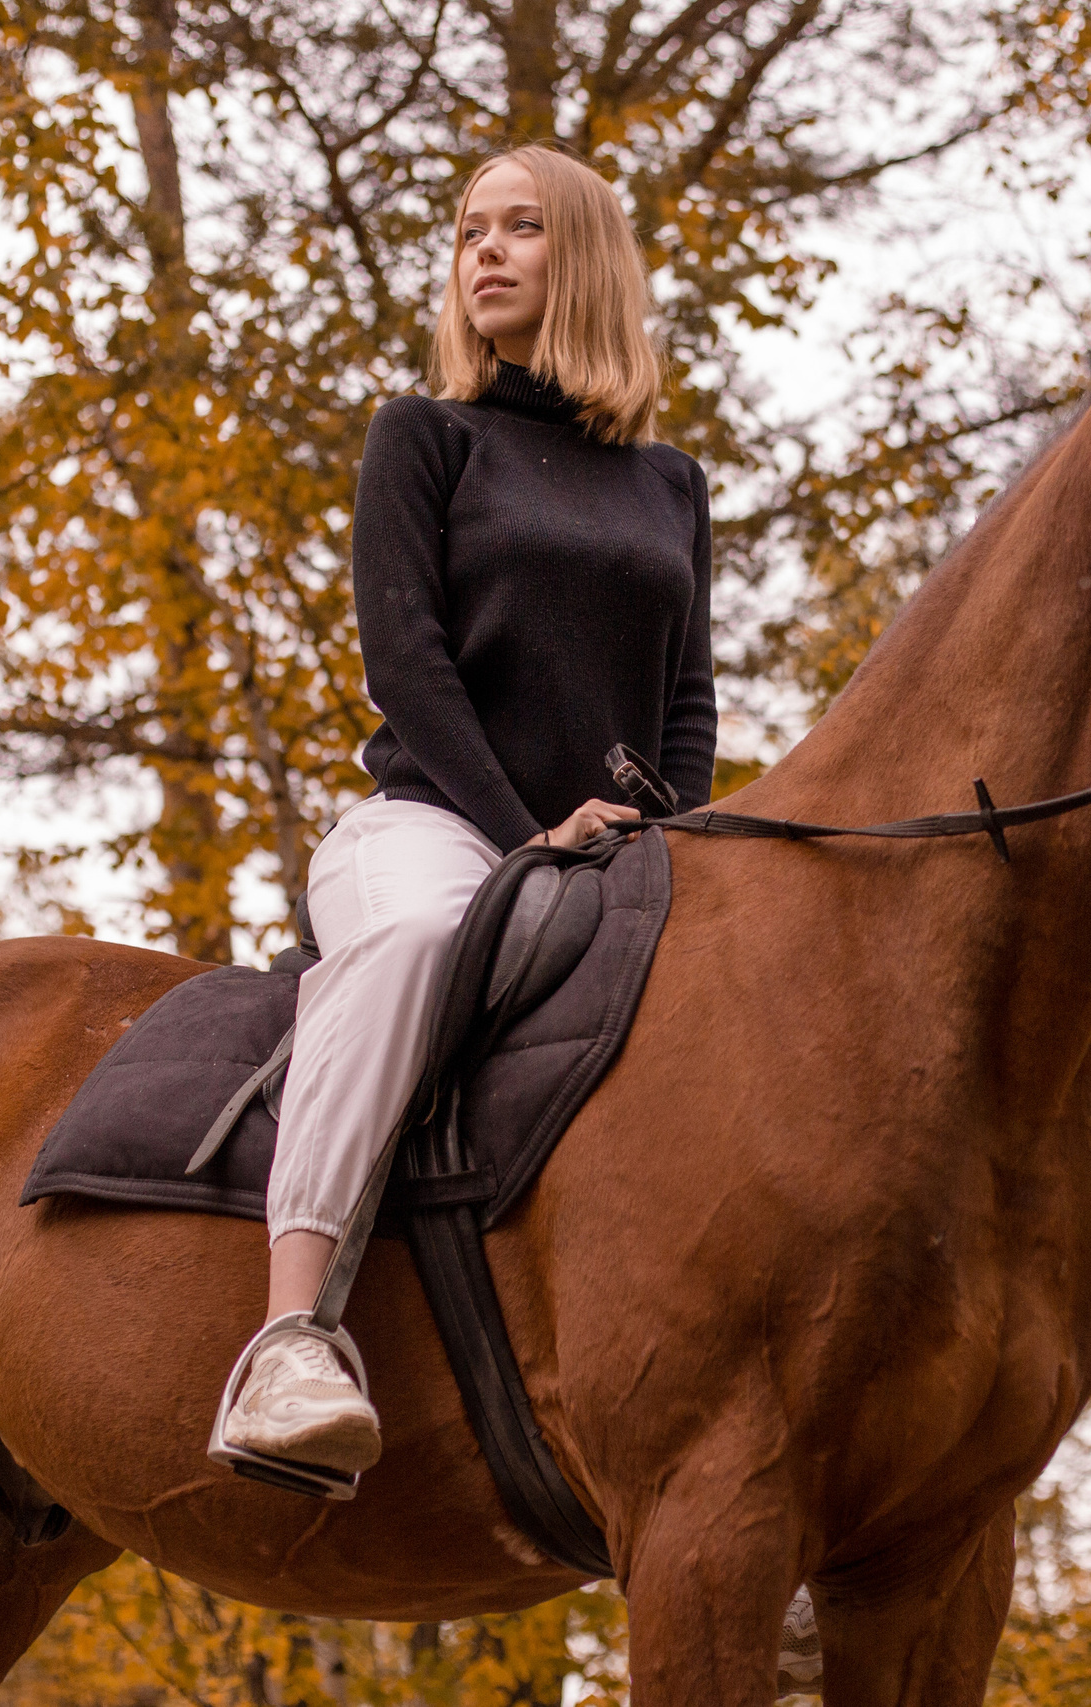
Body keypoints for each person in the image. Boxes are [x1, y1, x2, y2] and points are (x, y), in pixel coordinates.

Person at [218, 145, 717, 1474]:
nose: (483, 252)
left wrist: (688, 855)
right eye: (467, 232)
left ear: (589, 259)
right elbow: (407, 663)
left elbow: (687, 707)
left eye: (522, 228)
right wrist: (525, 835)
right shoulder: (423, 437)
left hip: (621, 852)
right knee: (415, 945)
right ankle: (286, 1343)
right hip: (436, 825)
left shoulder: (670, 485)